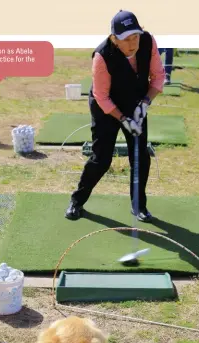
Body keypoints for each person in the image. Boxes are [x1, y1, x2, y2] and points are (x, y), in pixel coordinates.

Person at [65, 10, 165, 222]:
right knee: (101, 159)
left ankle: (139, 206)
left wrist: (144, 104)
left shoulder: (148, 42)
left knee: (140, 156)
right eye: (126, 39)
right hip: (106, 107)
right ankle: (77, 201)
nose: (133, 43)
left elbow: (157, 77)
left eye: (135, 36)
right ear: (114, 39)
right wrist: (123, 119)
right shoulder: (102, 56)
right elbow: (101, 96)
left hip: (136, 103)